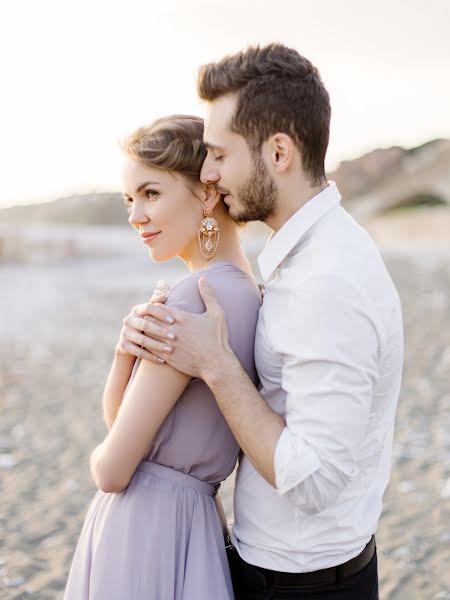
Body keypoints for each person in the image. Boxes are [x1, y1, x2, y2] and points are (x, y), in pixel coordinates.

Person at [128, 44, 404, 599]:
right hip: (287, 567)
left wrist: (216, 365)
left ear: (278, 152)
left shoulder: (325, 280)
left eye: (220, 155)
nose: (207, 172)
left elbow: (315, 479)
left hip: (301, 585)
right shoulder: (309, 255)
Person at [63, 115, 262, 600]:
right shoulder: (250, 292)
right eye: (130, 200)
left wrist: (98, 459)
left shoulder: (193, 300)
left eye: (151, 194)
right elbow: (139, 429)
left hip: (142, 532)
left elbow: (112, 470)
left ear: (207, 193)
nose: (135, 217)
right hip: (194, 525)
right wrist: (123, 355)